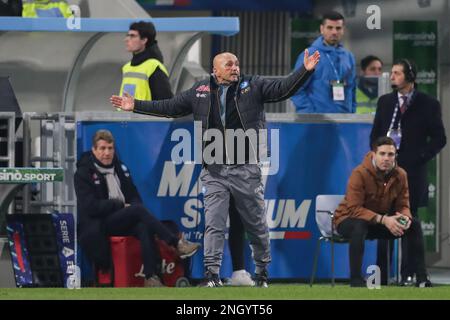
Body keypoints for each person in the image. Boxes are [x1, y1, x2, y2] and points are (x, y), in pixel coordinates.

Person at [110, 50, 320, 287]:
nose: (235, 68)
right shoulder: (199, 91)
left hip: (246, 168)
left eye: (237, 64)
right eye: (229, 64)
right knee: (214, 223)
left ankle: (261, 271)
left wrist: (304, 71)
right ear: (215, 70)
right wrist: (135, 104)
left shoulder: (254, 85)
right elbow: (169, 107)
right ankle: (212, 275)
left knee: (256, 224)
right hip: (214, 170)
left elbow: (283, 89)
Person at [74, 129, 200, 287]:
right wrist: (119, 204)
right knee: (138, 211)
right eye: (102, 148)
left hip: (121, 219)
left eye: (110, 148)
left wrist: (131, 206)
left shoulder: (120, 168)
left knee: (143, 226)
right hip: (98, 224)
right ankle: (176, 243)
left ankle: (150, 277)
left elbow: (134, 196)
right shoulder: (83, 173)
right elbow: (90, 207)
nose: (107, 153)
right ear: (94, 150)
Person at [370, 59, 446, 285]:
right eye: (391, 73)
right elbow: (375, 134)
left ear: (409, 77)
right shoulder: (385, 102)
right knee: (384, 221)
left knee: (408, 221)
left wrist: (421, 157)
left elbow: (440, 138)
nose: (391, 76)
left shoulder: (429, 104)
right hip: (385, 174)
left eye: (396, 73)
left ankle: (410, 275)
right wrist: (379, 158)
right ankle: (382, 277)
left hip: (413, 173)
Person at [334, 136, 432, 287]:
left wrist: (404, 217)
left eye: (390, 154)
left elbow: (403, 205)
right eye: (382, 154)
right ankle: (355, 279)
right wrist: (384, 220)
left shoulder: (401, 175)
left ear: (395, 156)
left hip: (378, 221)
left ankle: (422, 279)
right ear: (374, 154)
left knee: (414, 225)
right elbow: (354, 209)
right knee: (359, 226)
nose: (386, 158)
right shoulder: (359, 173)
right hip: (347, 220)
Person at [290, 11, 356, 113]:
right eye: (330, 28)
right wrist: (310, 114)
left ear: (343, 30)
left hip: (344, 121)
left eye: (338, 28)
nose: (334, 32)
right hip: (317, 122)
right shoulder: (310, 55)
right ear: (322, 29)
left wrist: (352, 113)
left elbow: (352, 88)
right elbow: (295, 88)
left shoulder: (348, 56)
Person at [119, 21, 173, 102]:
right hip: (126, 115)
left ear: (144, 40)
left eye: (132, 36)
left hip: (144, 115)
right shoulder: (127, 67)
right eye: (127, 35)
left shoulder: (154, 67)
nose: (126, 39)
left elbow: (166, 104)